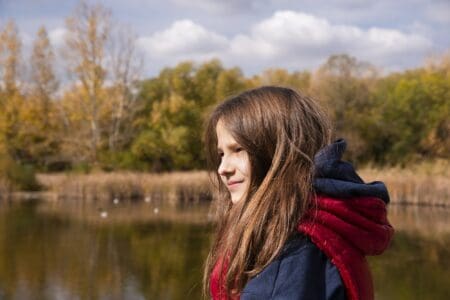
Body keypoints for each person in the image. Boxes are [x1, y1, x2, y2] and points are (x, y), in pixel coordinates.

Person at [202, 86, 394, 300]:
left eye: (238, 150)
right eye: (221, 154)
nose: (223, 168)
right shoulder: (318, 225)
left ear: (279, 152)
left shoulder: (295, 251)